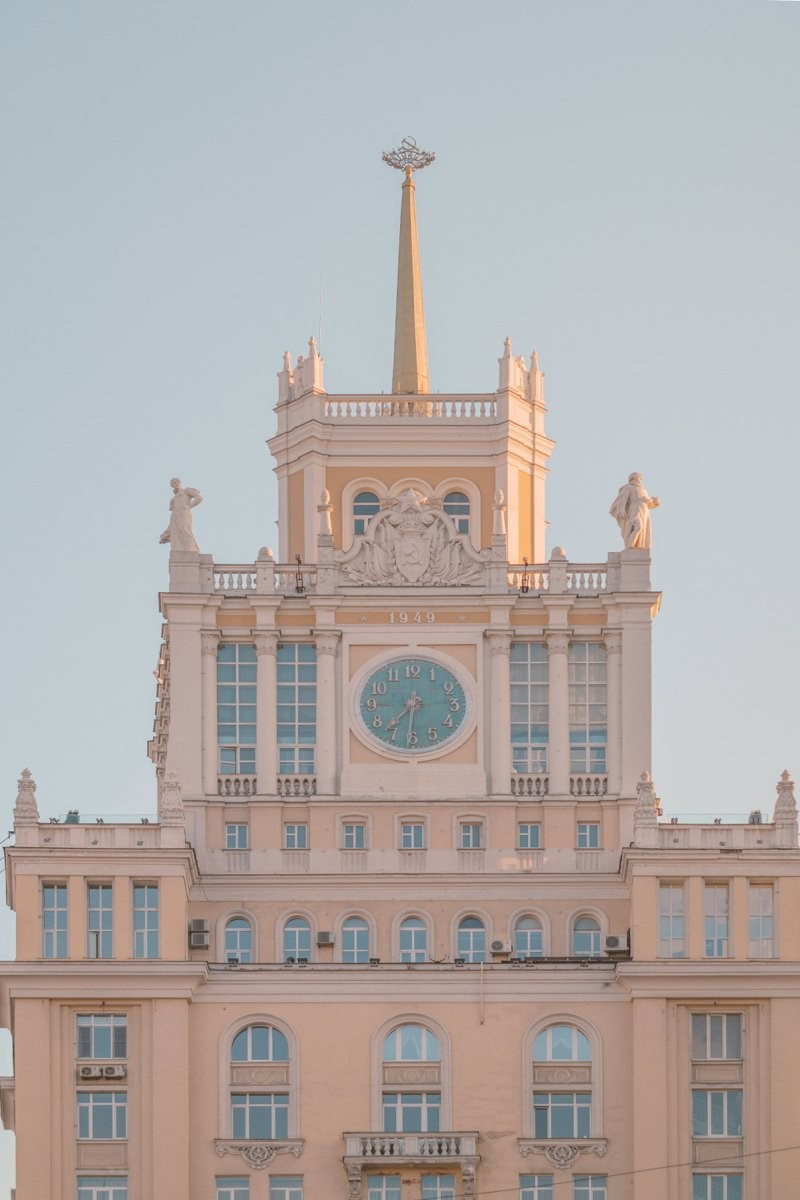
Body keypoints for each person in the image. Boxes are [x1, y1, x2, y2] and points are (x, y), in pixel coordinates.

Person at [609, 472, 660, 550]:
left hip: (644, 511)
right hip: (635, 509)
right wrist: (621, 511)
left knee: (642, 530)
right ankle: (629, 545)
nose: (640, 480)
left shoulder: (643, 489)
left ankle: (637, 546)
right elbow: (622, 499)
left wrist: (654, 501)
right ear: (634, 478)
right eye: (639, 478)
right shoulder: (629, 487)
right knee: (638, 527)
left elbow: (648, 504)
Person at [159, 477, 203, 552]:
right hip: (175, 515)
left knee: (185, 530)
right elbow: (172, 510)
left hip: (184, 512)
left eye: (177, 481)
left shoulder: (186, 490)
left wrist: (189, 506)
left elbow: (199, 498)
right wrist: (166, 534)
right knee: (175, 532)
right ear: (172, 485)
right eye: (174, 482)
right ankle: (179, 550)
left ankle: (192, 549)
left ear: (180, 483)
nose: (176, 483)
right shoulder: (172, 500)